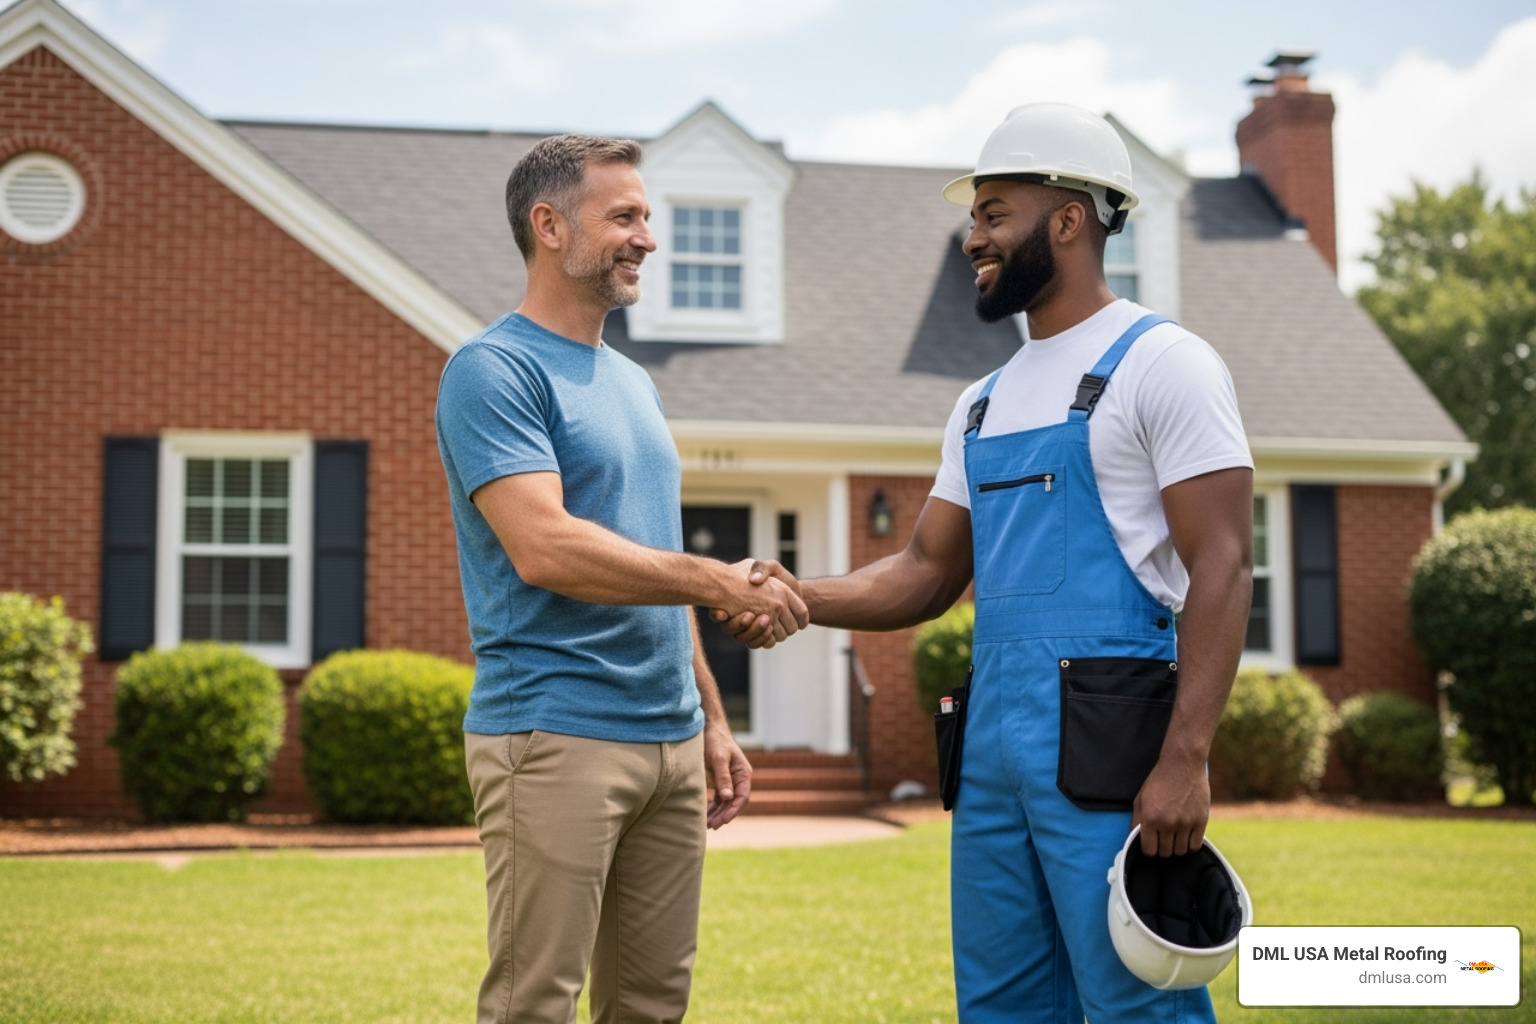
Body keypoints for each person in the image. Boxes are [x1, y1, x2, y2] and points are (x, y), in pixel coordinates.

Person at [724, 103, 1254, 1023]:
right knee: (1003, 1003)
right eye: (974, 215)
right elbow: (926, 571)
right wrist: (798, 595)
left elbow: (1226, 565)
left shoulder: (1165, 363)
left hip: (1108, 747)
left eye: (994, 213)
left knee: (1135, 1001)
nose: (974, 236)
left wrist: (1186, 760)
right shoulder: (980, 403)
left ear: (1069, 219)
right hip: (995, 755)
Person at [435, 133, 808, 1024]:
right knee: (536, 1004)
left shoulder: (635, 384)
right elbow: (547, 548)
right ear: (550, 225)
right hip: (555, 734)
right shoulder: (493, 371)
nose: (649, 237)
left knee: (650, 1005)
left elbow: (652, 559)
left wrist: (712, 718)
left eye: (649, 216)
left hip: (671, 744)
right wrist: (720, 580)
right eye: (627, 216)